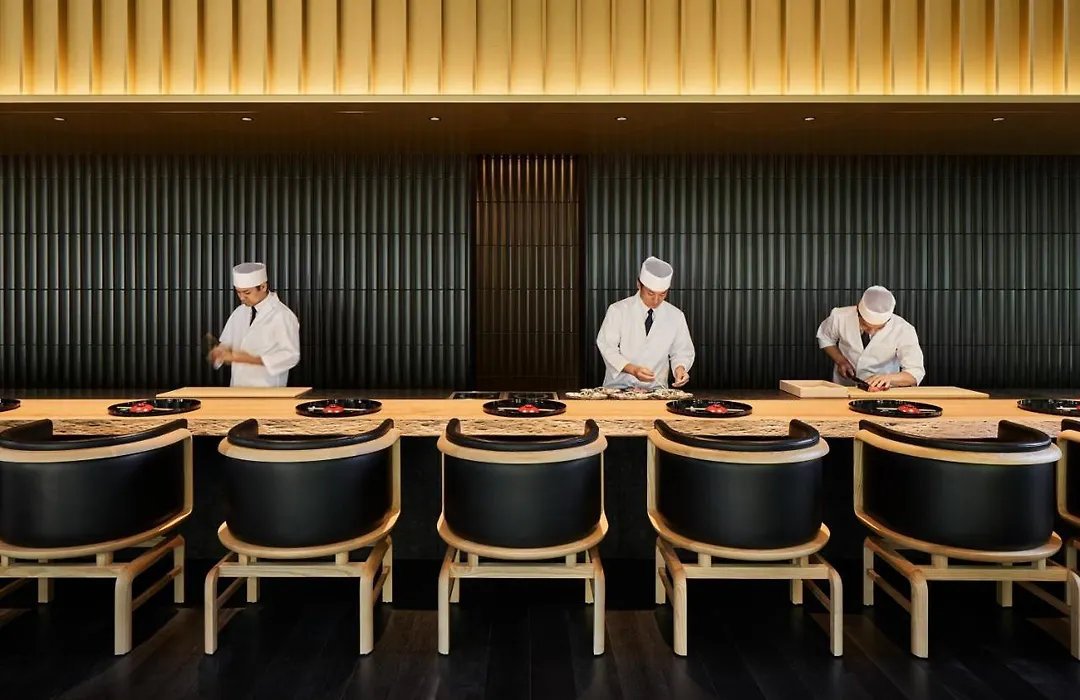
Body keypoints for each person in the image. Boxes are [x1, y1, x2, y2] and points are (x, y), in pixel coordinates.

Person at [596, 256, 695, 390]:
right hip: (618, 388)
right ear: (639, 284)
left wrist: (680, 369)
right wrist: (632, 369)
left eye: (662, 294)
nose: (656, 300)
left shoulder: (676, 315)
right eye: (650, 293)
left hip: (656, 390)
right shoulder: (618, 310)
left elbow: (682, 351)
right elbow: (607, 346)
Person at [815, 285, 924, 392]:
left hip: (883, 392)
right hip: (845, 388)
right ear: (858, 311)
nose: (871, 331)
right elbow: (825, 337)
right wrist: (840, 360)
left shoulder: (904, 329)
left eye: (879, 327)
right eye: (865, 325)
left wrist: (889, 378)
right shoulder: (840, 316)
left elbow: (915, 372)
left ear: (888, 320)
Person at [208, 262, 301, 387]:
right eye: (238, 292)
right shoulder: (239, 312)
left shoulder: (283, 316)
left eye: (247, 292)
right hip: (237, 389)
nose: (242, 298)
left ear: (263, 287)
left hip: (268, 391)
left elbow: (291, 356)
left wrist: (249, 359)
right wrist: (220, 352)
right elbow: (226, 344)